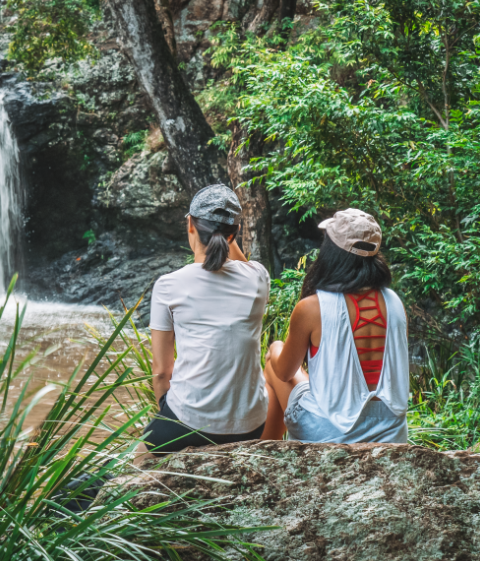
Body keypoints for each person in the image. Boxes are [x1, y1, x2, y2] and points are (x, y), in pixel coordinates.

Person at [261, 208, 408, 442]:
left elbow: (284, 372)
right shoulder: (394, 302)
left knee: (272, 363)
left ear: (331, 252)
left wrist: (276, 348)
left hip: (329, 433)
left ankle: (267, 455)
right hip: (390, 431)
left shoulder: (312, 307)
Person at [144, 184, 270, 453]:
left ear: (190, 224)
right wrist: (228, 233)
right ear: (235, 233)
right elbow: (241, 264)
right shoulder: (259, 277)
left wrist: (168, 415)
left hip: (188, 425)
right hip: (252, 425)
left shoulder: (168, 285)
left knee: (134, 463)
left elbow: (161, 371)